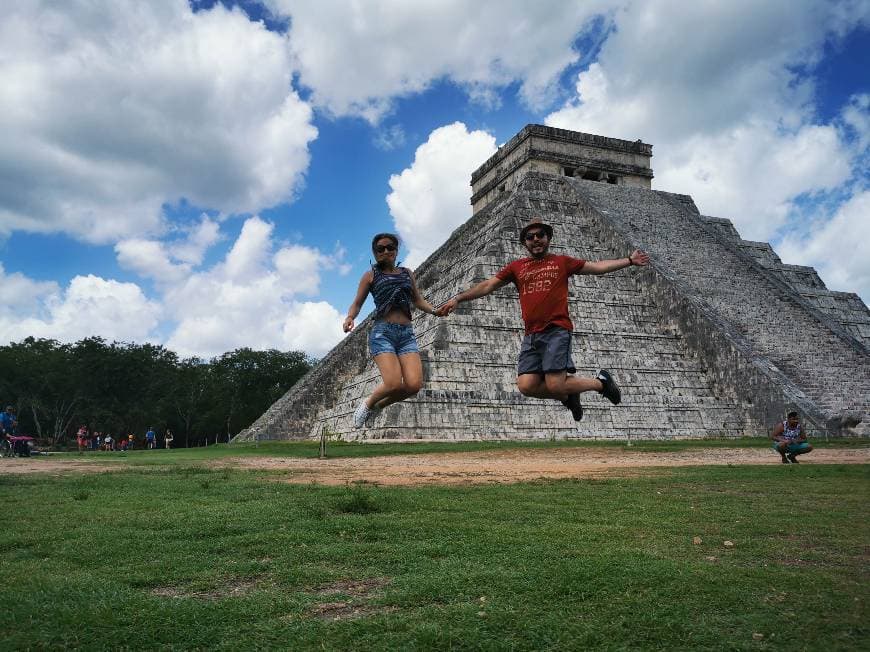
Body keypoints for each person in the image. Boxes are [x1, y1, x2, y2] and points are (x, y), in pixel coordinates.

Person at [438, 218, 650, 421]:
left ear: (548, 238)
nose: (536, 239)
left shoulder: (562, 262)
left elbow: (597, 267)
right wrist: (459, 298)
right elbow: (487, 285)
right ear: (524, 243)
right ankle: (569, 396)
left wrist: (629, 261)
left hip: (556, 330)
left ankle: (601, 383)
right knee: (527, 386)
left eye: (541, 235)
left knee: (555, 385)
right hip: (532, 335)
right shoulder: (516, 267)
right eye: (530, 237)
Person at [344, 232, 442, 428]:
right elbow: (357, 303)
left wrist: (435, 311)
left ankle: (378, 406)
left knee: (414, 385)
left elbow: (417, 300)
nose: (386, 251)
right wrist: (350, 317)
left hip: (406, 334)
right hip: (383, 333)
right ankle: (368, 403)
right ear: (375, 252)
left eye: (390, 247)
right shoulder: (370, 275)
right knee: (393, 383)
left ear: (396, 251)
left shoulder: (407, 273)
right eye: (380, 249)